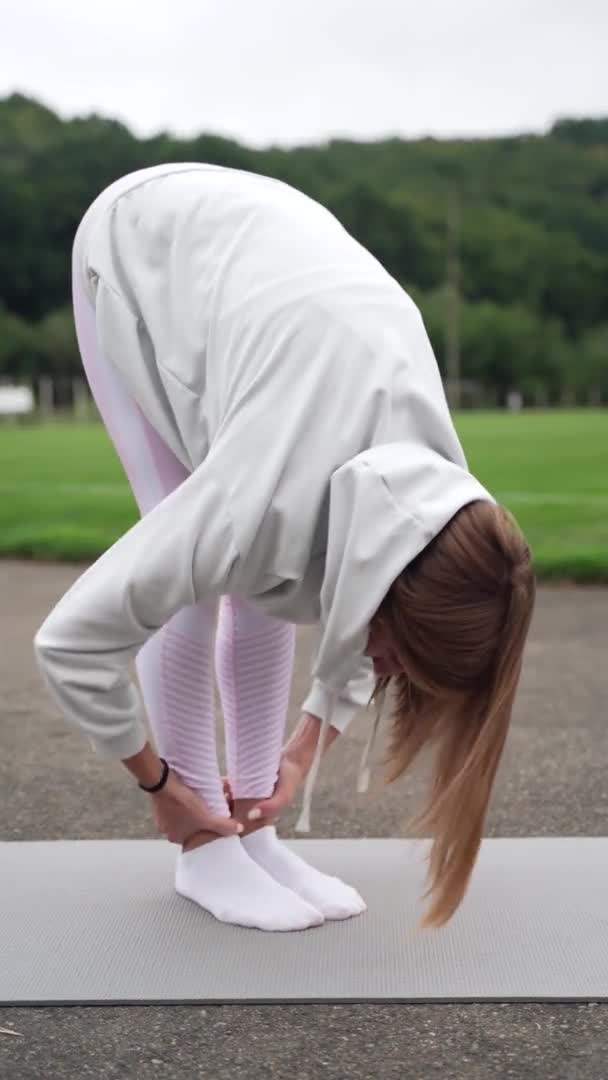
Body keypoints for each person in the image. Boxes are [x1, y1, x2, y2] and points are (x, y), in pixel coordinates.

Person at [34, 163, 535, 933]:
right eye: (400, 657)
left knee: (269, 575)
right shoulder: (255, 498)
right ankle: (205, 846)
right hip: (144, 245)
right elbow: (71, 642)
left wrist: (298, 755)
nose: (387, 673)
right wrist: (160, 785)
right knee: (200, 578)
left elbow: (375, 580)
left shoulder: (438, 500)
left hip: (281, 291)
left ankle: (250, 828)